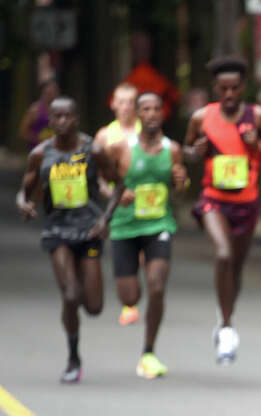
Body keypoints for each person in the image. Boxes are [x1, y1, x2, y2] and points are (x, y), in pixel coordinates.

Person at [15, 96, 126, 383]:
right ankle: (73, 357)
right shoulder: (40, 154)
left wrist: (106, 218)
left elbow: (118, 184)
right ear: (50, 121)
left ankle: (76, 303)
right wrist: (23, 204)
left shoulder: (94, 150)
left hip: (88, 230)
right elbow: (24, 190)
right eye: (56, 117)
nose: (62, 123)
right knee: (71, 294)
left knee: (94, 307)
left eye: (67, 117)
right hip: (57, 230)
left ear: (76, 119)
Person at [183, 56, 261, 364]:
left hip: (246, 203)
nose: (228, 95)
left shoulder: (258, 116)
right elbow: (186, 151)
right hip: (214, 199)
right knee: (223, 254)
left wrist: (258, 146)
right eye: (223, 88)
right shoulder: (201, 117)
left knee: (235, 267)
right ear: (215, 88)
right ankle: (226, 328)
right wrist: (194, 152)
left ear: (243, 88)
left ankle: (225, 315)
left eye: (234, 88)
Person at [106, 92, 188, 378]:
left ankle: (148, 352)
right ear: (138, 115)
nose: (151, 114)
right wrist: (117, 194)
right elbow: (103, 181)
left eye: (156, 108)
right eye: (146, 109)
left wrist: (181, 183)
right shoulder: (120, 149)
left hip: (158, 225)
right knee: (130, 295)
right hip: (125, 227)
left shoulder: (172, 149)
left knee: (156, 285)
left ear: (162, 114)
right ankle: (133, 299)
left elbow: (179, 187)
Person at [95, 82, 143, 326]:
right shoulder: (105, 135)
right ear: (113, 104)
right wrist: (111, 194)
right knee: (126, 254)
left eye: (130, 102)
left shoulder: (147, 130)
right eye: (121, 102)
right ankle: (129, 303)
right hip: (121, 206)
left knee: (147, 253)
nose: (125, 107)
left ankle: (136, 291)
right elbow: (98, 177)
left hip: (148, 205)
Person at [18, 78, 59, 151]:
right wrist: (38, 139)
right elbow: (22, 132)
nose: (52, 95)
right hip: (38, 152)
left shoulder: (60, 110)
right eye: (49, 93)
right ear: (44, 92)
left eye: (54, 92)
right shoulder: (35, 109)